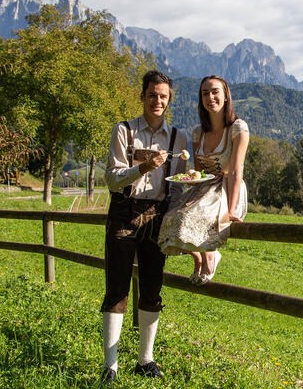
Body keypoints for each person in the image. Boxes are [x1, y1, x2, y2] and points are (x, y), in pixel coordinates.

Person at [99, 70, 187, 384]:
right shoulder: (123, 131)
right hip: (124, 210)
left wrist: (177, 219)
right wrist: (143, 168)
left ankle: (145, 360)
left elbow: (178, 185)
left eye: (163, 96)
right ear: (143, 96)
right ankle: (110, 366)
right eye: (152, 95)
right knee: (118, 287)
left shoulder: (179, 138)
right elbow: (111, 177)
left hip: (158, 214)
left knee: (152, 288)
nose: (157, 101)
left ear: (169, 100)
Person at [158, 75, 249, 285]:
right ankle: (199, 257)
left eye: (215, 91)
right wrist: (189, 190)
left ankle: (210, 253)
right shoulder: (198, 132)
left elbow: (236, 171)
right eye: (205, 93)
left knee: (187, 219)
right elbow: (199, 174)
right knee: (168, 218)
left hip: (227, 188)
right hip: (205, 187)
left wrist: (233, 209)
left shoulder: (238, 127)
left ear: (226, 96)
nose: (210, 97)